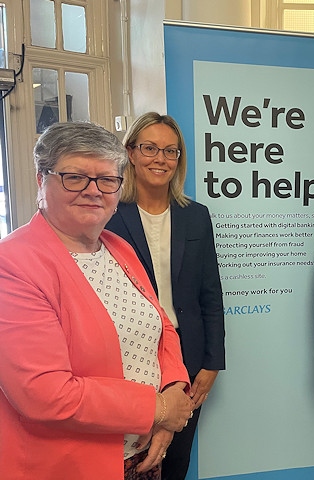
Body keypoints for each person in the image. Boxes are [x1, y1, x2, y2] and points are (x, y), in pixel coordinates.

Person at [0, 121, 195, 480]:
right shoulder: (12, 264)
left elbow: (162, 328)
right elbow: (44, 393)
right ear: (42, 179)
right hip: (69, 465)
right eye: (75, 177)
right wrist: (158, 408)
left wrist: (171, 399)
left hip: (143, 457)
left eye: (107, 179)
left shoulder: (117, 247)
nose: (94, 191)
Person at [105, 112, 225, 480]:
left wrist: (212, 362)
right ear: (131, 153)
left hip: (188, 358)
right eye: (150, 148)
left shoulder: (196, 216)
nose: (160, 159)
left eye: (170, 151)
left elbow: (210, 293)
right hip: (130, 358)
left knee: (176, 462)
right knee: (134, 463)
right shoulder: (109, 215)